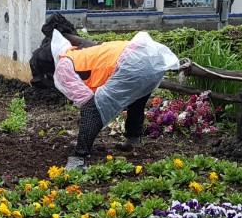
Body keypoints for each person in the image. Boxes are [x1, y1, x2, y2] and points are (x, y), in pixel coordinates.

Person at [30, 16, 178, 170]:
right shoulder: (76, 52)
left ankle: (79, 158)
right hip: (151, 60)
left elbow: (89, 104)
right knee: (136, 99)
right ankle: (133, 140)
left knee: (92, 109)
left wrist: (86, 126)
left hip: (132, 64)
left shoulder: (63, 68)